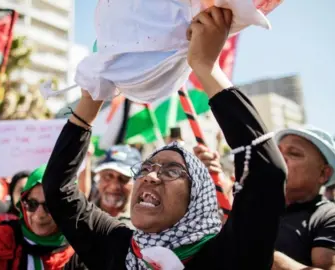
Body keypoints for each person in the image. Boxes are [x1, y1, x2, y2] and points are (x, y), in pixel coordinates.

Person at [42, 7, 287, 270]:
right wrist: (91, 100)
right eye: (145, 168)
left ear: (197, 197)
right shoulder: (116, 247)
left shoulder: (227, 256)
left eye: (172, 171)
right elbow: (58, 190)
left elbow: (266, 174)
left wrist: (206, 68)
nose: (149, 176)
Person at [274, 127, 335, 269]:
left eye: (294, 153)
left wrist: (259, 253)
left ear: (324, 173)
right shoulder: (251, 210)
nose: (279, 159)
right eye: (276, 152)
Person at [0, 164, 86, 270]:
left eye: (49, 206)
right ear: (22, 204)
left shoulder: (82, 245)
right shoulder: (3, 239)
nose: (39, 214)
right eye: (32, 204)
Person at [92, 145, 142, 226]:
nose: (114, 186)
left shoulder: (143, 227)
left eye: (124, 178)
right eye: (108, 176)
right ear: (99, 177)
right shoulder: (79, 212)